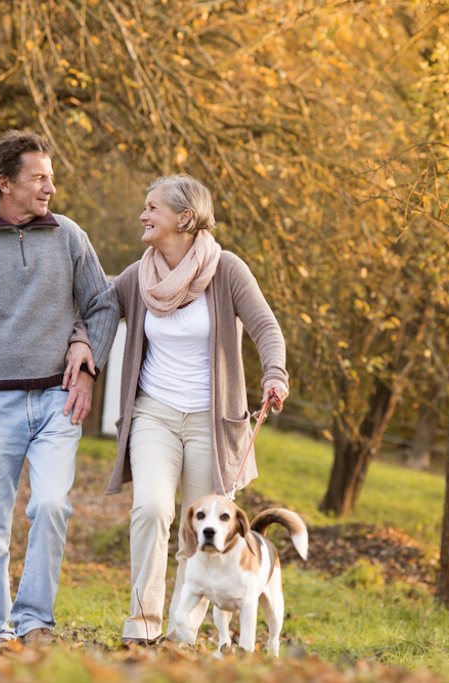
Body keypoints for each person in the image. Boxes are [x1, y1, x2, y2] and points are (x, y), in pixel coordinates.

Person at [0, 130, 119, 647]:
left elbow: (103, 304)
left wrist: (88, 359)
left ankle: (34, 622)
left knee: (52, 506)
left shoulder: (71, 236)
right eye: (39, 177)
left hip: (59, 400)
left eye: (51, 177)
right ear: (5, 183)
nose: (50, 187)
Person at [103, 174, 290, 646]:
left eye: (152, 208)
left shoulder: (226, 270)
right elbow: (101, 310)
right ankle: (142, 625)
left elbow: (266, 326)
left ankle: (182, 627)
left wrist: (274, 373)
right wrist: (84, 345)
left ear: (184, 218)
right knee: (150, 508)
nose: (143, 216)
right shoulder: (139, 275)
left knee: (202, 525)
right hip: (154, 413)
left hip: (212, 421)